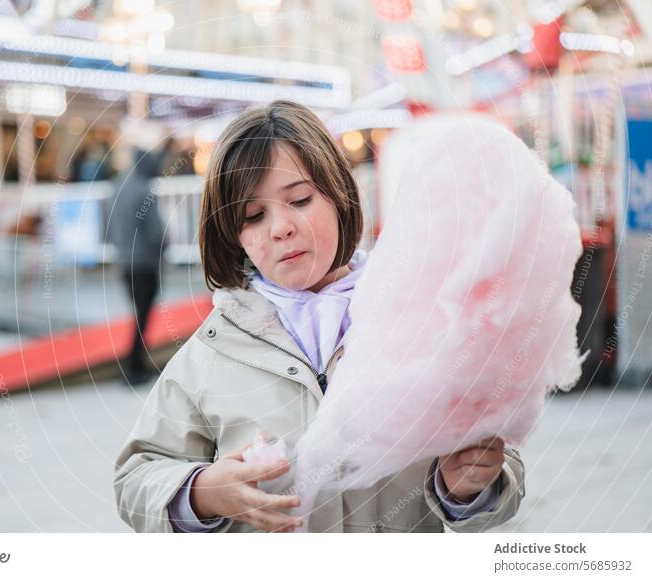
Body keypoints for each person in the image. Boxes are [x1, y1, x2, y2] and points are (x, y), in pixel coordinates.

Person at [114, 101, 524, 532]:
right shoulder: (213, 352)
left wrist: (465, 487)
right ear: (234, 237)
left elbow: (497, 456)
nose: (280, 227)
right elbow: (136, 476)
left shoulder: (422, 319)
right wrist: (200, 493)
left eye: (300, 199)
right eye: (253, 216)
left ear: (339, 195)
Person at [107, 143, 169, 386]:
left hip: (124, 261)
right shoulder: (145, 191)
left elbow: (107, 225)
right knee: (143, 317)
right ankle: (134, 367)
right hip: (145, 263)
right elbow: (155, 233)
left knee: (138, 314)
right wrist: (165, 247)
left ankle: (136, 363)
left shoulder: (116, 188)